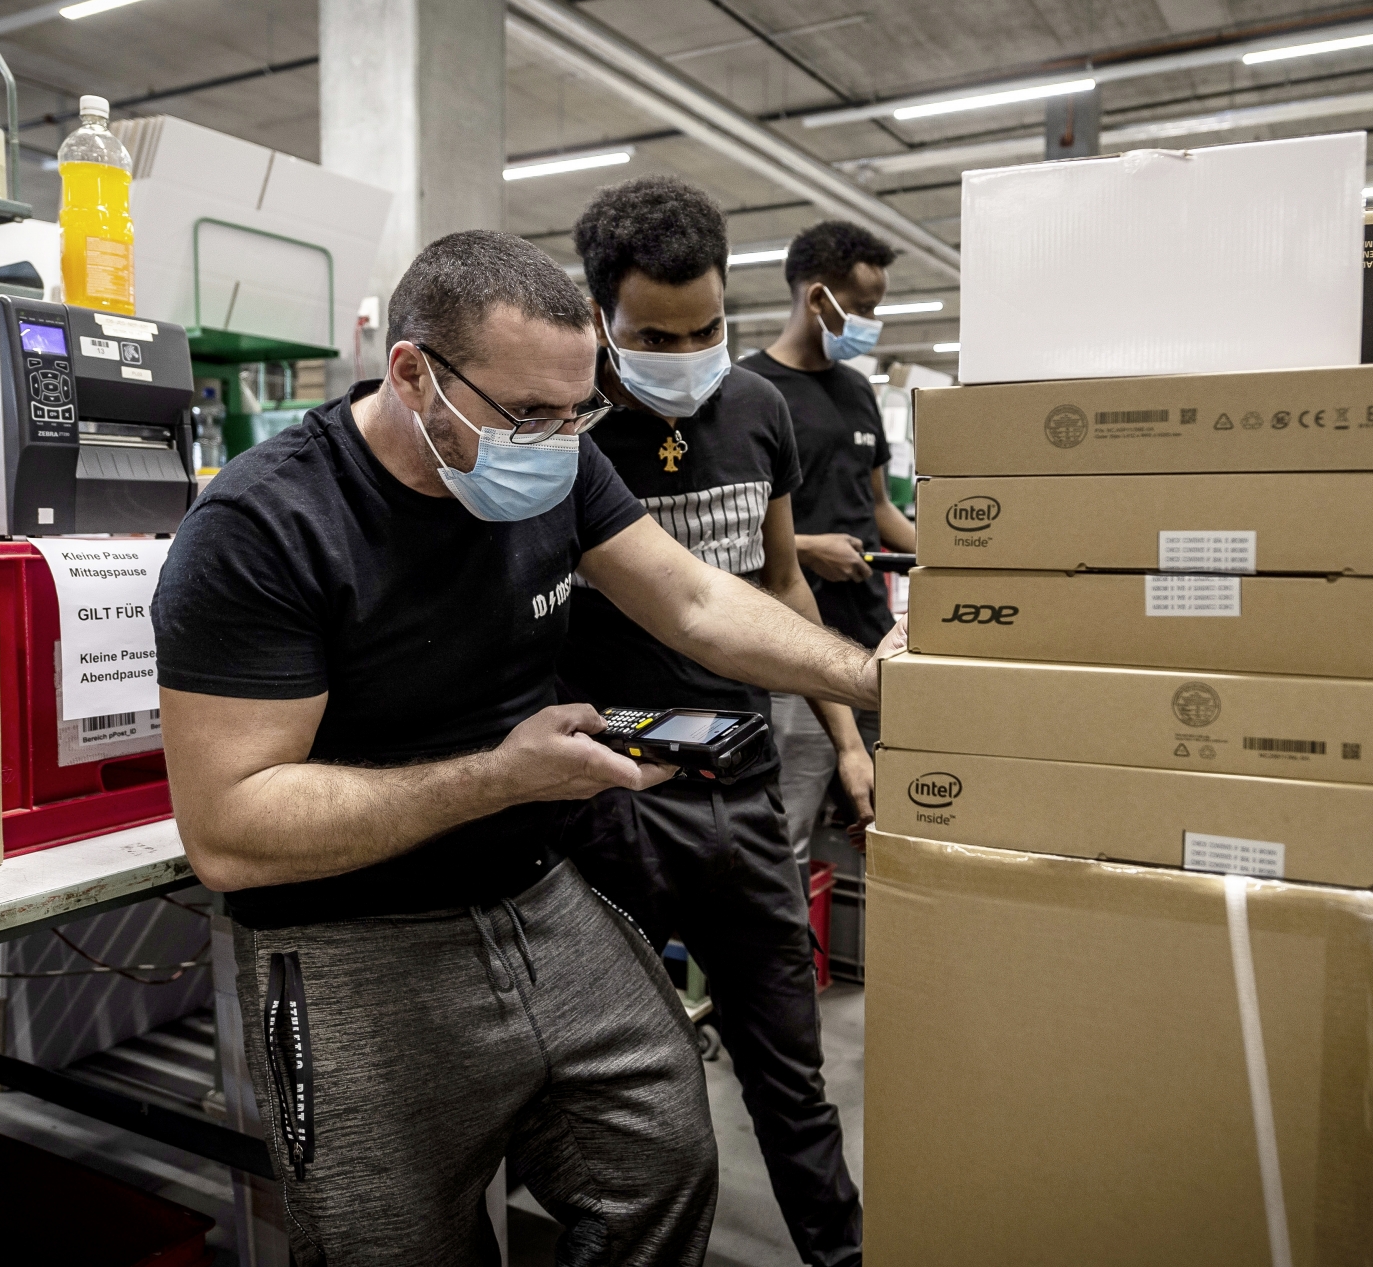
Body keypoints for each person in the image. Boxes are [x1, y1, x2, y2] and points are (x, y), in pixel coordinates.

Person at [152, 230, 901, 1267]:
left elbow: (688, 599)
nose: (555, 442)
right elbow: (231, 830)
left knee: (662, 1157)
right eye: (526, 415)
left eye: (574, 411)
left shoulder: (558, 460)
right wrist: (502, 776)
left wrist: (874, 681)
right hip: (352, 937)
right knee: (396, 1241)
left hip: (538, 892)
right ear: (412, 371)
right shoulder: (264, 525)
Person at [556, 176, 870, 1267]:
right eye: (653, 334)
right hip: (606, 805)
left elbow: (783, 591)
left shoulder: (758, 411)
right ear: (600, 318)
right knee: (622, 1101)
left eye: (705, 329)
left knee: (790, 1072)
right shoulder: (555, 432)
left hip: (739, 796)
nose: (683, 352)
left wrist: (845, 736)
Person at [738, 222, 916, 862]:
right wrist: (810, 548)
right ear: (819, 299)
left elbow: (877, 509)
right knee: (783, 843)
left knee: (887, 832)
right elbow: (734, 535)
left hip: (871, 642)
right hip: (790, 656)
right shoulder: (749, 395)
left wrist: (956, 557)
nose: (872, 324)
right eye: (863, 308)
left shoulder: (858, 391)